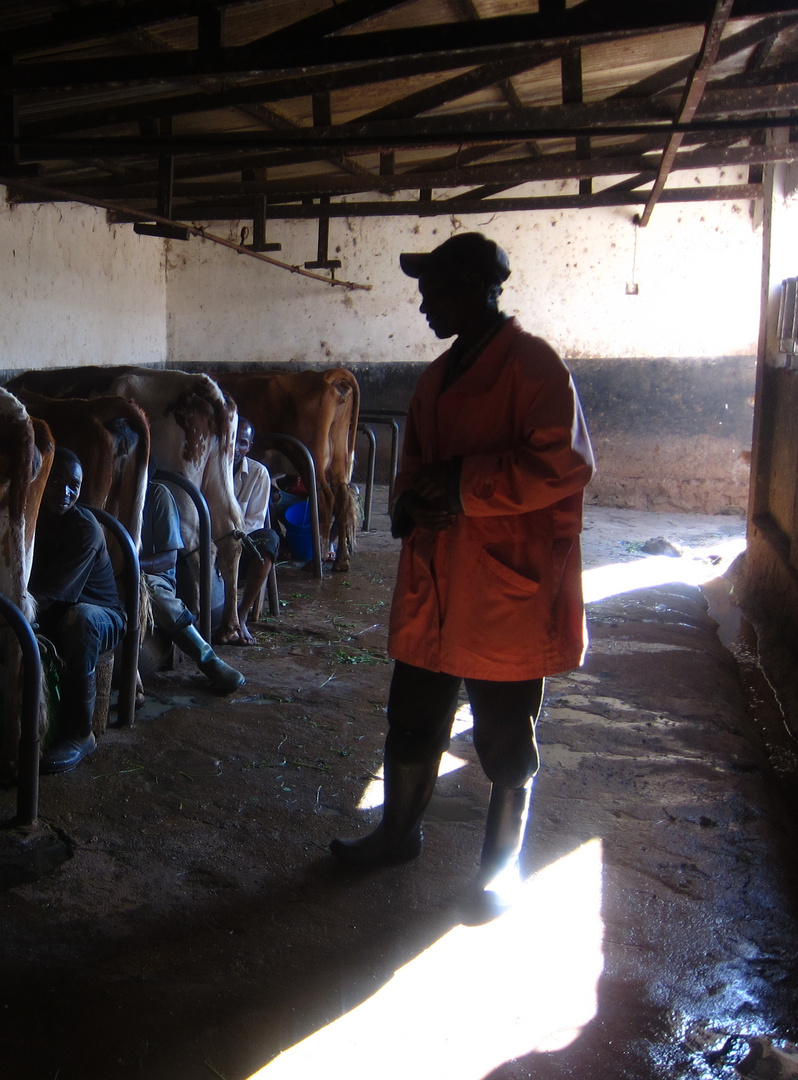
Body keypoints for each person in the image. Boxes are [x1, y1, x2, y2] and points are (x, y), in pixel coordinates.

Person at [329, 232, 595, 921]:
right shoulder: (435, 377)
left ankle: (502, 861)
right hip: (436, 581)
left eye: (434, 291)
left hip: (503, 587)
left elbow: (562, 466)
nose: (422, 305)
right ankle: (397, 832)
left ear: (480, 290)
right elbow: (412, 462)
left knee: (505, 735)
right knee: (412, 719)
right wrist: (408, 502)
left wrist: (462, 485)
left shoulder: (536, 369)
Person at [29, 448, 127, 774]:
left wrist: (7, 608)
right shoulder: (32, 517)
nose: (65, 491)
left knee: (80, 621)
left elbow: (48, 595)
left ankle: (79, 733)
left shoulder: (84, 529)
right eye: (56, 481)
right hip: (55, 608)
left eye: (74, 485)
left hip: (101, 614)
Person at [141, 479, 245, 693]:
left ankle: (208, 660)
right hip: (113, 572)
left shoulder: (157, 495)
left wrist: (133, 565)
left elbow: (169, 559)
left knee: (152, 591)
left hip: (152, 574)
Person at [217, 416, 281, 646]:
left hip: (240, 545)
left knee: (269, 541)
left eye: (242, 443)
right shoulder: (209, 467)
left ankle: (241, 614)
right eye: (232, 440)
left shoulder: (259, 474)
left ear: (249, 447)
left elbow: (254, 522)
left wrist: (227, 538)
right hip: (208, 545)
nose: (235, 448)